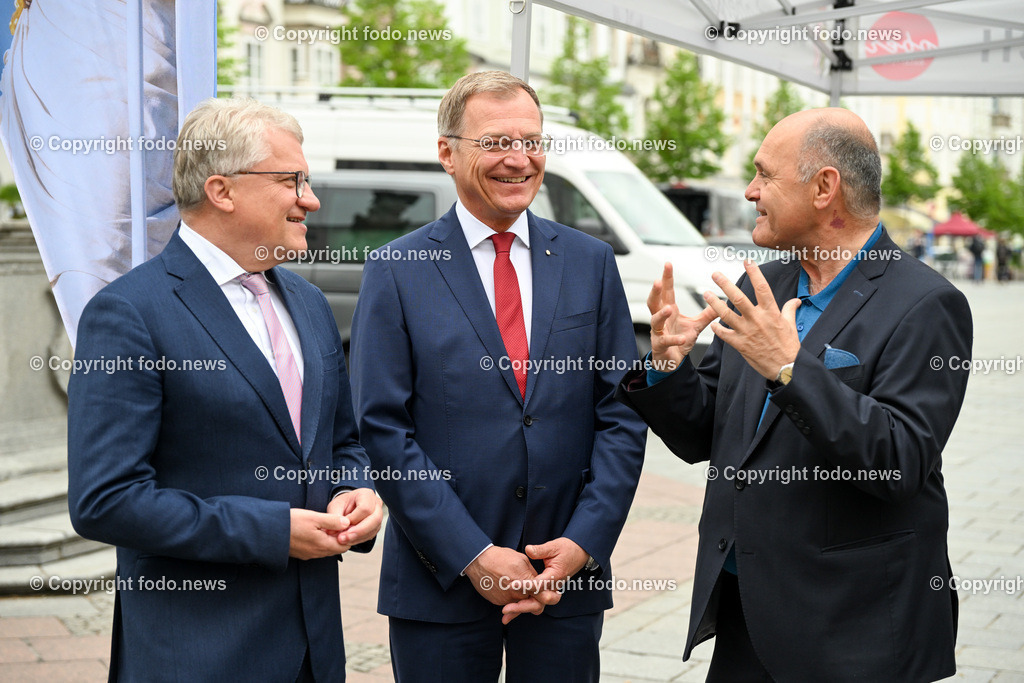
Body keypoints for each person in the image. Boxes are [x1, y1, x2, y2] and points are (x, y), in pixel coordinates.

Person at [617, 108, 971, 681]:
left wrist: (788, 368)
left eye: (764, 175)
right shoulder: (766, 284)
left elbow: (899, 462)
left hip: (852, 631)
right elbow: (707, 430)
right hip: (744, 611)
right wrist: (668, 365)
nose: (751, 191)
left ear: (825, 187)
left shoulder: (927, 304)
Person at [68, 98, 383, 681]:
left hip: (316, 650)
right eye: (293, 181)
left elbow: (342, 441)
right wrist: (271, 530)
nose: (310, 200)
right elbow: (104, 500)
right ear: (222, 189)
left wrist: (358, 491)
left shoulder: (309, 304)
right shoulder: (130, 313)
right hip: (198, 655)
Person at [349, 71, 647, 682]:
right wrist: (473, 556)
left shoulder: (590, 262)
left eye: (532, 141)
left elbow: (620, 414)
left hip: (562, 580)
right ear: (446, 152)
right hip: (441, 583)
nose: (519, 159)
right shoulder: (397, 269)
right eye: (495, 142)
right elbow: (382, 428)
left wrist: (584, 544)